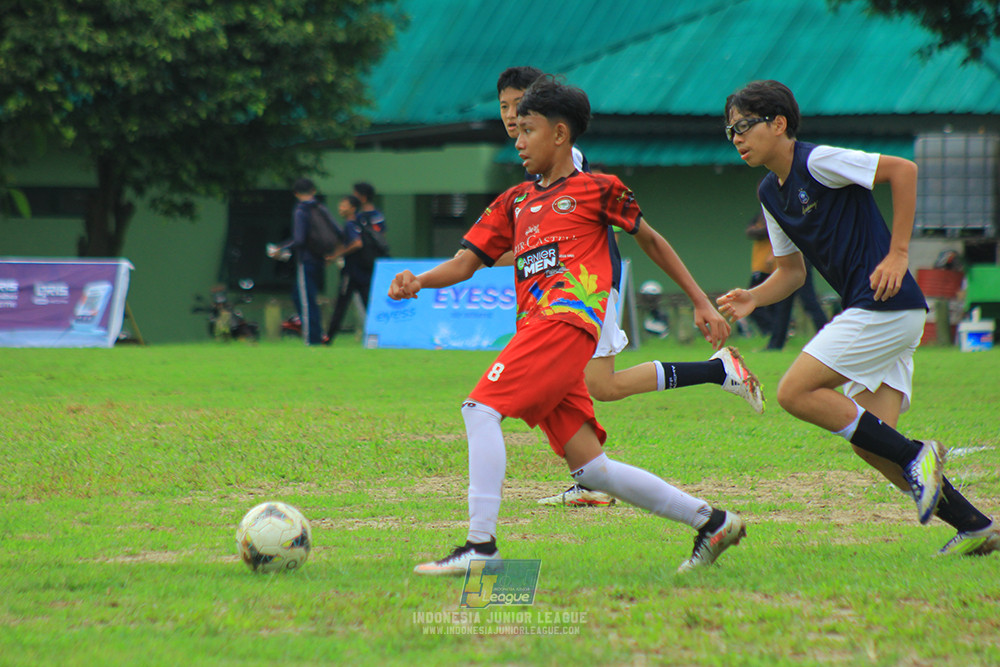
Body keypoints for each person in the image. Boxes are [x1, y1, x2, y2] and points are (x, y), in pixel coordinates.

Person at [391, 76, 747, 575]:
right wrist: (419, 281)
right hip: (537, 328)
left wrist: (701, 302)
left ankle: (480, 548)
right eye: (515, 129)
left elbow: (652, 241)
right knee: (592, 469)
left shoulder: (598, 189)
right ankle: (712, 522)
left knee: (479, 409)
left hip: (566, 321)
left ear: (560, 135)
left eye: (527, 129)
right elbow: (464, 263)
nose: (517, 140)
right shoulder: (513, 202)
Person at [718, 80, 998, 556]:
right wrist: (754, 298)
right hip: (879, 313)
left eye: (744, 126)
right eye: (730, 131)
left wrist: (899, 253)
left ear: (778, 124)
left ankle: (919, 453)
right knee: (872, 444)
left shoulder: (817, 160)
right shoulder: (770, 192)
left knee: (794, 392)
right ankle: (976, 526)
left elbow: (903, 170)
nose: (737, 138)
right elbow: (790, 272)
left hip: (884, 306)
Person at [494, 66, 764, 508]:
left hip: (584, 289)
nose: (511, 116)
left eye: (520, 108)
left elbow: (623, 233)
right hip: (559, 293)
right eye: (504, 107)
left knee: (598, 385)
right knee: (577, 384)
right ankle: (590, 480)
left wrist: (698, 299)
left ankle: (717, 372)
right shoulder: (533, 173)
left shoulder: (567, 167)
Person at [266, 178, 327, 345]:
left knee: (305, 301)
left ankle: (312, 339)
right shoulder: (320, 208)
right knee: (303, 296)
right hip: (319, 259)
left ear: (296, 193)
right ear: (313, 190)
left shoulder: (301, 210)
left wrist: (281, 248)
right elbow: (335, 230)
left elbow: (299, 240)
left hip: (306, 260)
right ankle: (318, 334)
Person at [323, 195, 372, 344]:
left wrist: (336, 255)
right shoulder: (361, 223)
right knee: (368, 304)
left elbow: (357, 244)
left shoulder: (350, 224)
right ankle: (380, 335)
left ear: (352, 208)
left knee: (341, 305)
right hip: (363, 271)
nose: (340, 208)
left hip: (351, 273)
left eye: (344, 205)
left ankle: (328, 337)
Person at [765, 258, 828, 350]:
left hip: (799, 263)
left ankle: (827, 337)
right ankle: (775, 344)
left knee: (809, 303)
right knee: (783, 305)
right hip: (791, 265)